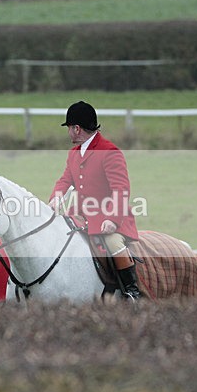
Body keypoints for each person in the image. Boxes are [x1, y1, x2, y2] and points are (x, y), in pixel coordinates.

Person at [48, 101, 142, 300]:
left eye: (69, 128)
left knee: (113, 242)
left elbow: (121, 189)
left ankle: (131, 290)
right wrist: (56, 197)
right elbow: (65, 180)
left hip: (108, 217)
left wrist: (113, 219)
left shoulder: (109, 151)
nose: (68, 133)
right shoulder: (74, 154)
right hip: (81, 215)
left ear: (77, 128)